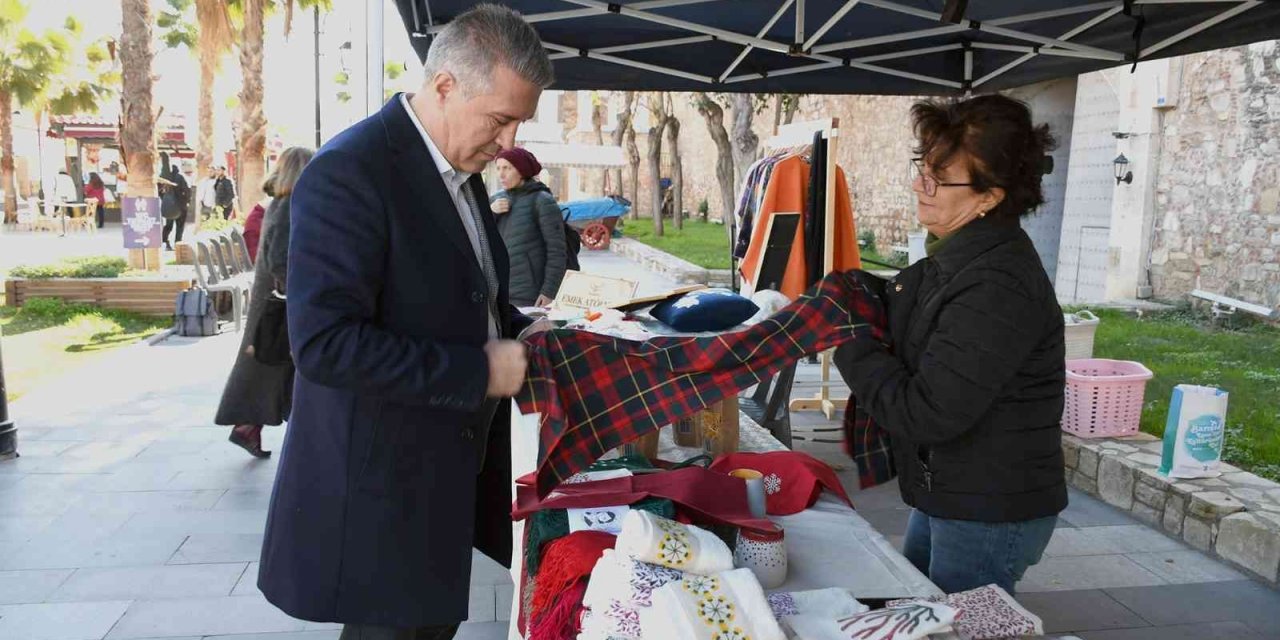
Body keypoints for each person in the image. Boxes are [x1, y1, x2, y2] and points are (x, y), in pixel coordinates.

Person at [256, 5, 553, 638]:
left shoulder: (460, 167)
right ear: (445, 86)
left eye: (518, 124)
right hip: (378, 497)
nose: (509, 144)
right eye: (500, 120)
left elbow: (464, 292)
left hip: (439, 481)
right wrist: (480, 369)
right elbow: (326, 346)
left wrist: (521, 325)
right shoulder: (348, 172)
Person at [833, 94, 1065, 596]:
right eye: (922, 168)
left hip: (988, 507)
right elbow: (921, 315)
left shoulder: (997, 284)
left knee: (954, 624)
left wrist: (849, 340)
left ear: (990, 196)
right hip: (953, 491)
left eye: (938, 177)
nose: (921, 185)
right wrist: (859, 295)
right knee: (915, 601)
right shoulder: (960, 256)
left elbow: (928, 412)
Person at [214, 147, 314, 458]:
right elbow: (279, 259)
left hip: (271, 299)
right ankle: (253, 426)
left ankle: (248, 427)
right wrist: (298, 293)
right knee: (273, 367)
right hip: (279, 301)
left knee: (269, 369)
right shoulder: (289, 204)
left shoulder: (282, 202)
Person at [490, 147, 567, 307]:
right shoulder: (495, 200)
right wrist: (491, 212)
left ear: (521, 170)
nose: (501, 174)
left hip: (528, 292)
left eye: (507, 168)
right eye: (498, 168)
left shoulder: (542, 200)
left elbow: (557, 250)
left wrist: (549, 291)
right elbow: (478, 238)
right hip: (497, 289)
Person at [160, 162, 191, 250]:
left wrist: (165, 200)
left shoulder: (163, 178)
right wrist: (186, 201)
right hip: (181, 206)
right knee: (180, 227)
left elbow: (159, 191)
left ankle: (165, 242)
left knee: (168, 226)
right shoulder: (179, 177)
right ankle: (178, 244)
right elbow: (187, 190)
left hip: (169, 207)